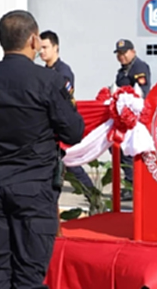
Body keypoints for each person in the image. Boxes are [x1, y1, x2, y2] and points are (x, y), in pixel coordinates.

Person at [0, 10, 85, 288]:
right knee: (29, 275)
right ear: (34, 39)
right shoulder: (47, 81)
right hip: (34, 186)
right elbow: (73, 131)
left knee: (1, 270)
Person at [38, 30, 95, 194]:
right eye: (40, 48)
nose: (42, 51)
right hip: (48, 127)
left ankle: (92, 195)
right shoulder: (44, 72)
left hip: (60, 125)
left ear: (55, 47)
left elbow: (64, 101)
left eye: (46, 47)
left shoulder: (63, 72)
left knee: (72, 165)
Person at [113, 38, 152, 201]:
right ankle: (130, 181)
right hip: (122, 117)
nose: (122, 57)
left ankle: (133, 183)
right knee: (117, 148)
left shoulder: (139, 67)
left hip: (135, 117)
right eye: (119, 54)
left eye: (124, 53)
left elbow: (141, 92)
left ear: (133, 52)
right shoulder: (121, 71)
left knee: (129, 149)